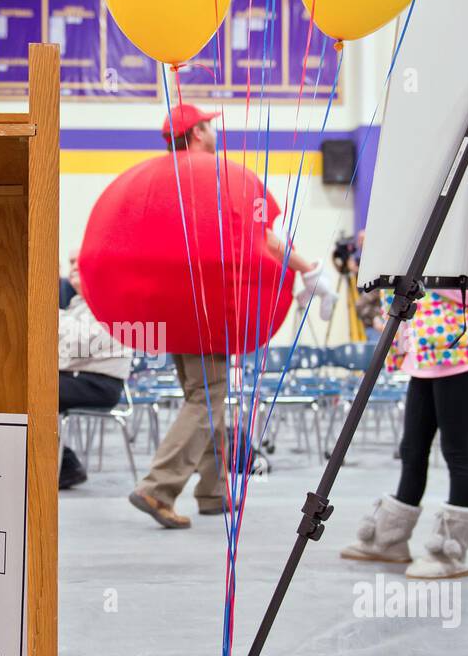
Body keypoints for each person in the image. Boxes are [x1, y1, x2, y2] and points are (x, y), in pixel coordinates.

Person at [128, 103, 334, 529]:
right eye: (209, 125)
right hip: (208, 307)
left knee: (204, 395)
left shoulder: (157, 180)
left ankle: (213, 490)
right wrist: (308, 268)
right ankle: (158, 486)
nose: (214, 132)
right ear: (199, 133)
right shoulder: (218, 177)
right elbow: (262, 239)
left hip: (170, 307)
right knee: (208, 396)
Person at [340, 289, 468, 578]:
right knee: (412, 448)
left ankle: (451, 551)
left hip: (457, 346)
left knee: (456, 450)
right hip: (425, 349)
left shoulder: (467, 248)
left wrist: (429, 280)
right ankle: (391, 539)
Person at [59, 253, 133, 489]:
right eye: (70, 264)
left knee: (34, 391)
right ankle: (63, 463)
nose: (72, 269)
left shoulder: (110, 301)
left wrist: (49, 319)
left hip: (100, 385)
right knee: (26, 387)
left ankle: (66, 465)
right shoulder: (78, 304)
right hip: (78, 377)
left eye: (77, 264)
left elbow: (75, 348)